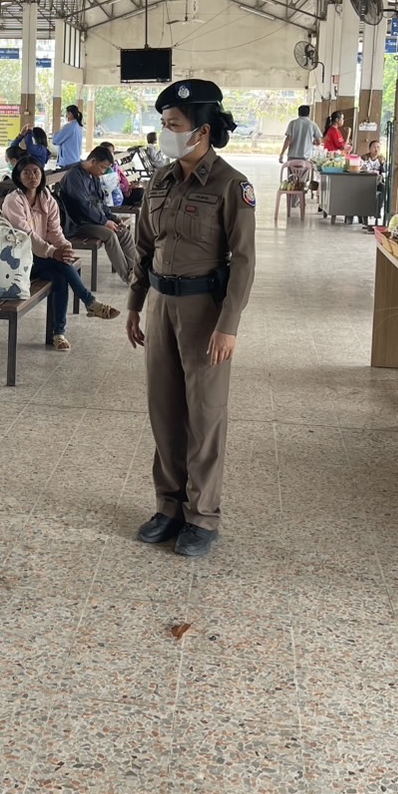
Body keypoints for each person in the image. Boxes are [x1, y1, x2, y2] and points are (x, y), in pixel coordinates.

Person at [126, 79, 256, 560]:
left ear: (201, 131)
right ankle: (169, 506)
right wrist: (135, 303)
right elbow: (144, 246)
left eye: (174, 124)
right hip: (161, 303)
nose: (166, 132)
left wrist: (229, 324)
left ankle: (202, 516)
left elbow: (244, 261)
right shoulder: (160, 181)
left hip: (205, 311)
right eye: (164, 123)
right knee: (164, 411)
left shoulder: (231, 185)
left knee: (204, 414)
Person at [1, 155, 119, 351]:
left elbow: (54, 231)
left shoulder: (46, 198)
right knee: (61, 263)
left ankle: (59, 334)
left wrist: (64, 247)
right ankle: (88, 301)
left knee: (60, 275)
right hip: (15, 260)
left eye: (36, 172)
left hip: (37, 258)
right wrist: (52, 252)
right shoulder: (13, 201)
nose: (32, 176)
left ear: (41, 174)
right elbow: (26, 236)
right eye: (26, 172)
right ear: (18, 176)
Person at [58, 146, 138, 283]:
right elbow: (84, 206)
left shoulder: (93, 175)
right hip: (77, 223)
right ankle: (128, 277)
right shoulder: (74, 176)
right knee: (110, 235)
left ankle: (136, 271)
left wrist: (113, 217)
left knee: (123, 232)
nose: (103, 172)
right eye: (102, 167)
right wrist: (104, 222)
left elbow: (100, 202)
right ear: (93, 161)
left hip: (93, 220)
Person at [279, 105, 322, 176]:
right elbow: (319, 142)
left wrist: (282, 154)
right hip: (306, 158)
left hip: (292, 157)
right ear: (309, 113)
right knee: (304, 179)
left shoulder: (293, 123)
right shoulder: (313, 125)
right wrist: (312, 142)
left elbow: (288, 139)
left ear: (298, 113)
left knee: (292, 178)